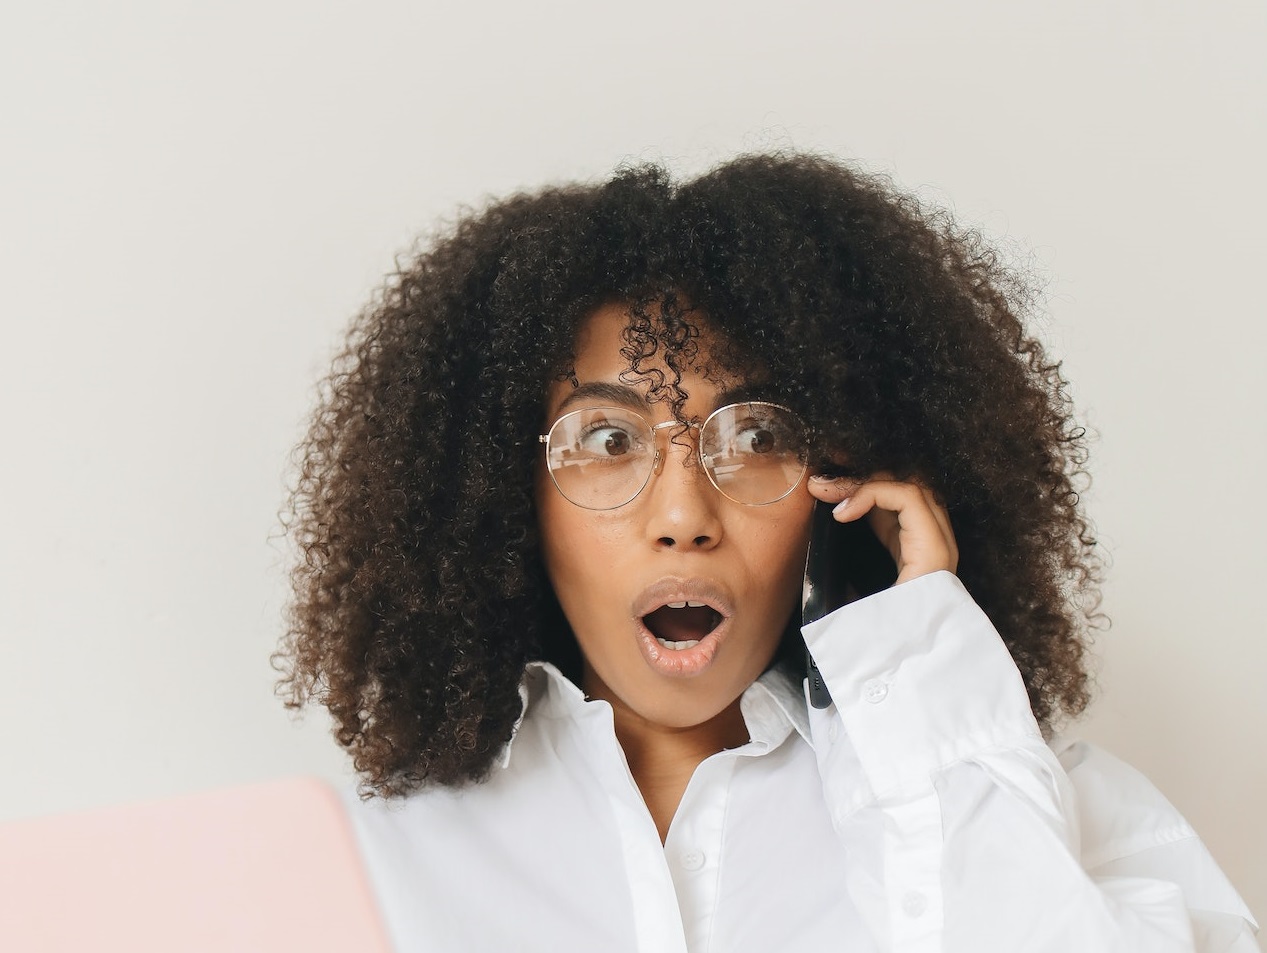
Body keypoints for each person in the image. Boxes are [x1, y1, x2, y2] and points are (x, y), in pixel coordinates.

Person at [276, 154, 1259, 952]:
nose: (682, 515)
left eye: (753, 437)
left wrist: (919, 648)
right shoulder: (372, 869)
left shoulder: (1024, 805)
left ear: (840, 476)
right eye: (607, 440)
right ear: (504, 496)